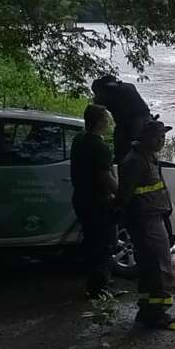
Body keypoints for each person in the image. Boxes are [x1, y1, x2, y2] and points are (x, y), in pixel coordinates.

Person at [115, 119, 175, 331]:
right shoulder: (135, 161)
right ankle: (155, 315)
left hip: (154, 217)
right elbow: (125, 196)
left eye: (163, 137)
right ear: (145, 138)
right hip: (144, 221)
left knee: (152, 267)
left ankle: (148, 312)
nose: (162, 141)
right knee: (157, 267)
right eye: (158, 137)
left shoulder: (149, 157)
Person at [70, 104, 118, 298]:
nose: (109, 123)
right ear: (99, 122)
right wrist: (122, 194)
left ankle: (96, 284)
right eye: (107, 119)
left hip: (80, 198)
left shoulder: (78, 139)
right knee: (103, 244)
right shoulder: (100, 147)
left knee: (91, 242)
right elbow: (106, 178)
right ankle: (98, 289)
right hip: (98, 202)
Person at [91, 74, 152, 162]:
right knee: (141, 149)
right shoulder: (129, 86)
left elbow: (96, 110)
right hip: (146, 118)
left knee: (123, 149)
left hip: (132, 123)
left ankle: (122, 164)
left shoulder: (107, 94)